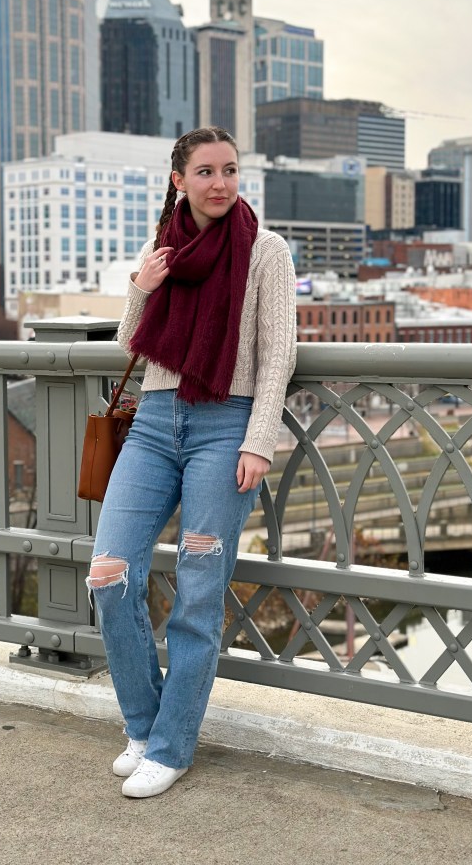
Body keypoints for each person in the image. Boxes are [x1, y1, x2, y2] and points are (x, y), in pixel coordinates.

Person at [86, 126, 296, 798]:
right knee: (108, 574)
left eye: (230, 170)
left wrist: (259, 438)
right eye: (205, 171)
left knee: (198, 594)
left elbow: (277, 354)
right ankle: (144, 727)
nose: (220, 183)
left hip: (224, 428)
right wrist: (141, 285)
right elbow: (132, 343)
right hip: (152, 423)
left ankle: (172, 749)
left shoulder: (266, 250)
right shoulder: (161, 248)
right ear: (179, 179)